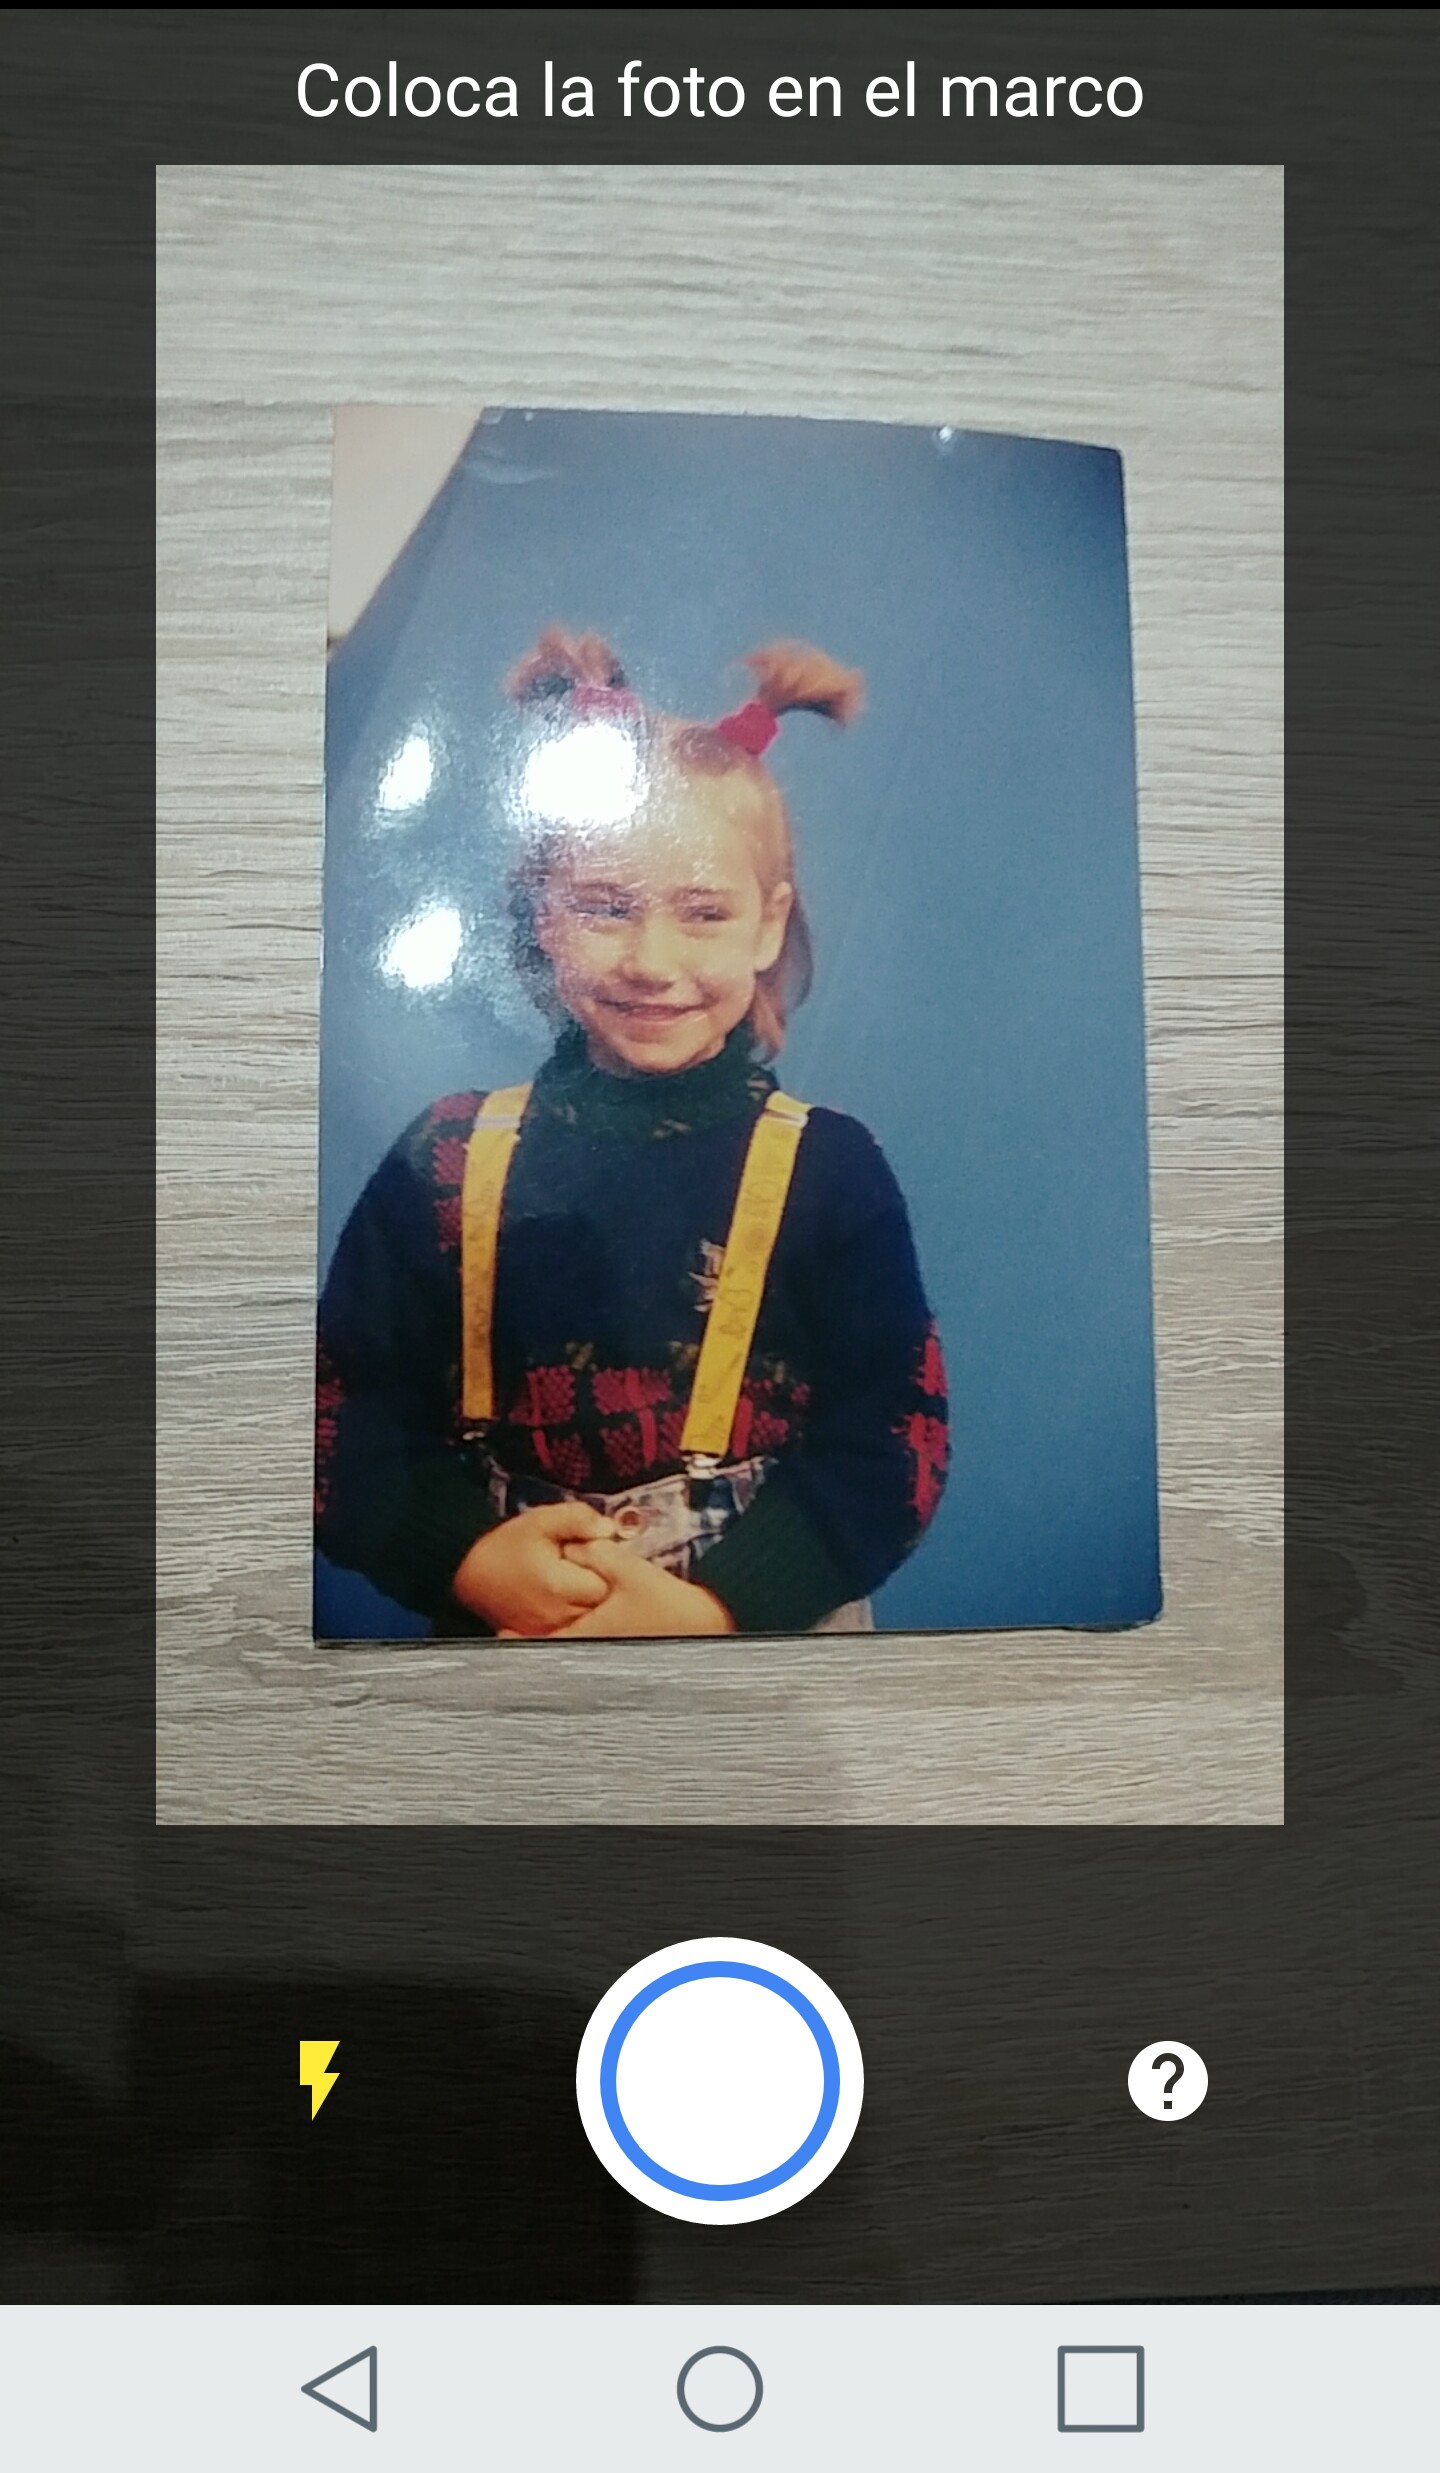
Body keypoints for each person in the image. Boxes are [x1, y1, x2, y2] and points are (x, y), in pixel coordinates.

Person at [315, 628, 949, 1638]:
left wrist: (720, 1608)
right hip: (512, 1622)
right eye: (606, 907)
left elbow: (894, 1438)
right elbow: (340, 1413)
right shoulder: (444, 1160)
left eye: (703, 912)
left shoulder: (829, 1170)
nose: (653, 961)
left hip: (762, 1638)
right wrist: (464, 1555)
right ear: (544, 916)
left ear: (768, 922)